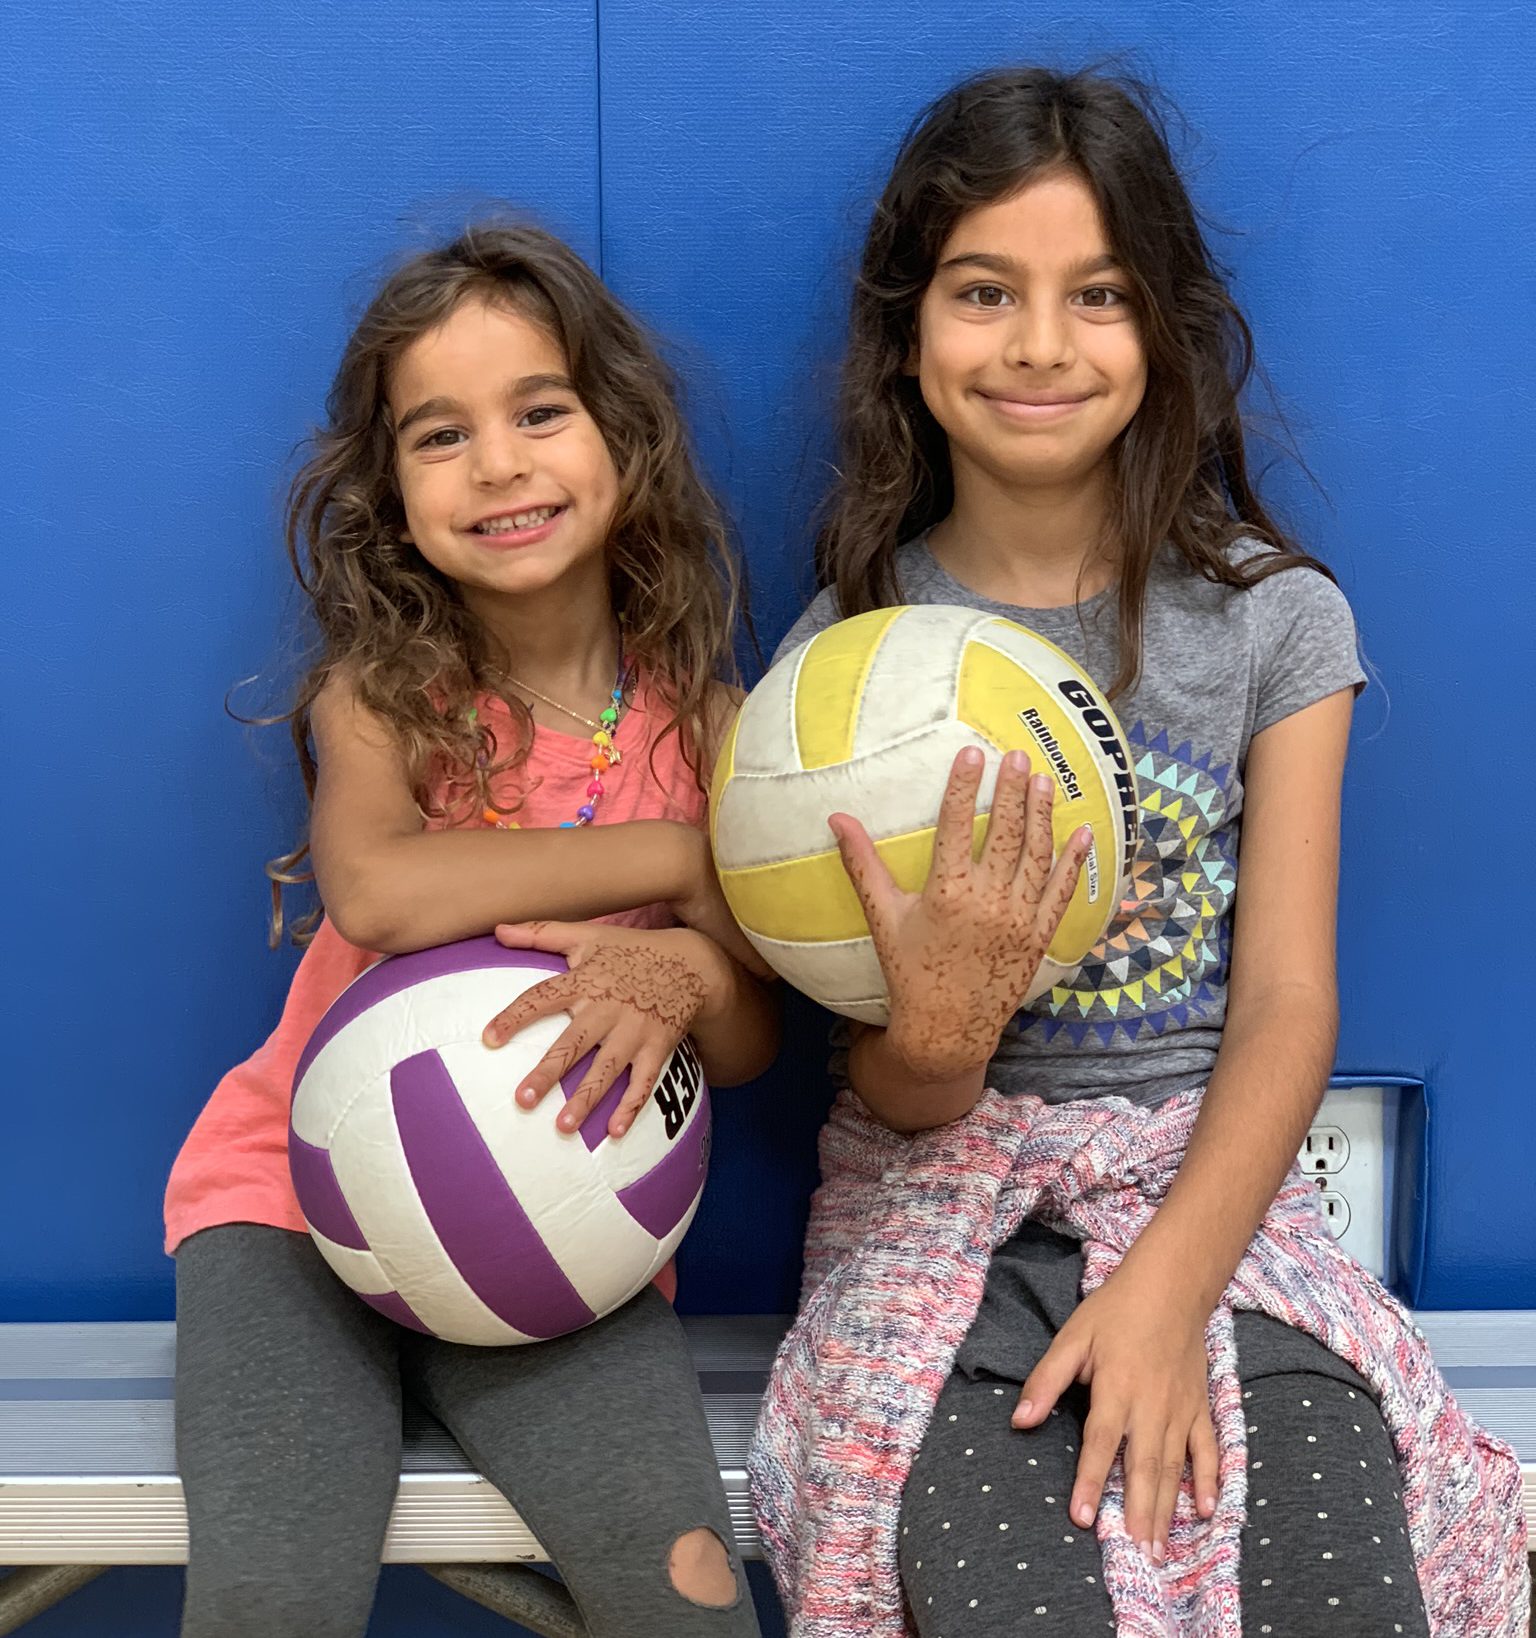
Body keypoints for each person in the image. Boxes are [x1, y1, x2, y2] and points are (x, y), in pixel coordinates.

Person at [750, 67, 1527, 1637]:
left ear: (1164, 327)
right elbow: (885, 1087)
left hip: (1213, 1207)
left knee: (1339, 1581)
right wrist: (945, 1034)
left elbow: (1286, 1004)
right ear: (911, 327)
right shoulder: (844, 668)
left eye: (1096, 294)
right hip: (942, 1210)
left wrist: (1168, 1295)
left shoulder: (1276, 623)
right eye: (985, 292)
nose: (1039, 344)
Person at [164, 221, 776, 1638]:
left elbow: (746, 1040)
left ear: (624, 437)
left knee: (688, 1588)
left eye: (540, 411)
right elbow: (378, 892)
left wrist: (689, 962)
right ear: (391, 491)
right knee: (272, 1598)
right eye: (441, 435)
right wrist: (679, 860)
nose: (499, 463)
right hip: (291, 1217)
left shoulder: (722, 729)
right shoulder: (380, 697)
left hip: (558, 1238)